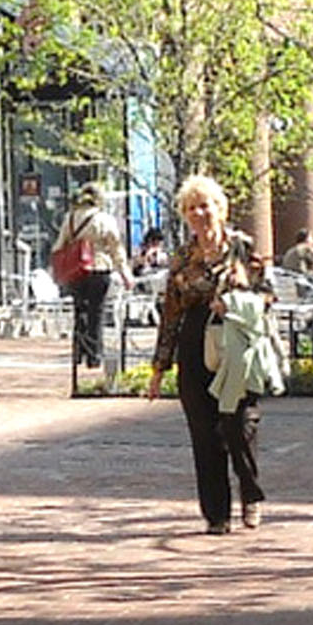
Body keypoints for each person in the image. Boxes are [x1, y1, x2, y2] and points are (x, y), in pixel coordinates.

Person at [143, 174, 268, 534]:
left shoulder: (242, 248)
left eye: (205, 205)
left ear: (220, 208)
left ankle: (250, 493)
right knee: (203, 430)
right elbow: (171, 312)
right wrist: (159, 368)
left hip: (235, 342)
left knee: (238, 425)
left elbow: (268, 296)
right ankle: (216, 513)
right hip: (195, 341)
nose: (199, 213)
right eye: (191, 208)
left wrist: (236, 302)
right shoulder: (182, 257)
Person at [51, 183, 129, 371]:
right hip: (99, 268)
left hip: (76, 270)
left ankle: (78, 352)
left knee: (80, 311)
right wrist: (124, 272)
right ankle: (94, 356)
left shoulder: (70, 218)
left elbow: (59, 245)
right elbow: (115, 247)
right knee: (97, 312)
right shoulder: (104, 219)